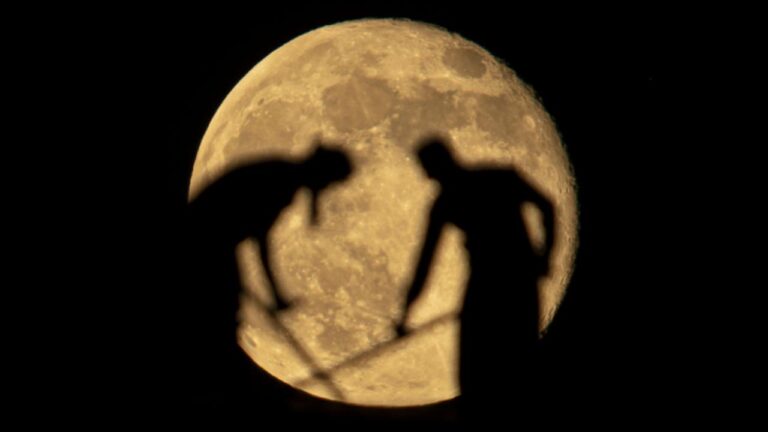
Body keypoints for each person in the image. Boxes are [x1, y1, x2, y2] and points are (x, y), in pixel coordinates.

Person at [395, 138, 556, 417]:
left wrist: (545, 256)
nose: (430, 177)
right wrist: (405, 313)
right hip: (499, 283)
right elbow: (425, 263)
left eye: (429, 170)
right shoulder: (465, 193)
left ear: (440, 164)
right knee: (487, 369)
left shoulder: (492, 180)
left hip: (510, 284)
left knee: (505, 366)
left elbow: (547, 206)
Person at [184, 144, 352, 402]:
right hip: (206, 242)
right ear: (321, 173)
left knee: (225, 308)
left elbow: (310, 185)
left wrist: (313, 207)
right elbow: (261, 244)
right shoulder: (282, 184)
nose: (327, 188)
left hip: (211, 238)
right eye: (329, 182)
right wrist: (276, 296)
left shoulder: (284, 172)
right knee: (221, 312)